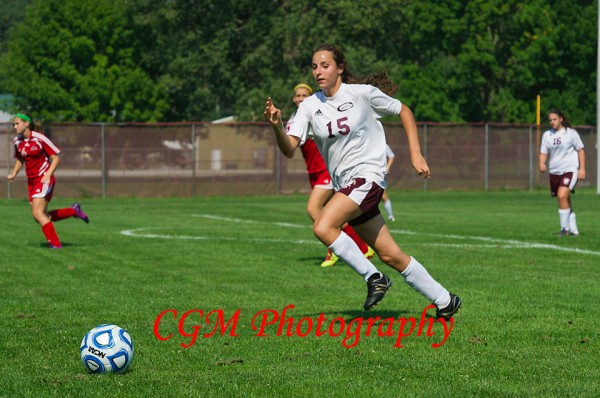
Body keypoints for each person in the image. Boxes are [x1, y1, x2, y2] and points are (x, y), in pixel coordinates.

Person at [264, 44, 461, 319]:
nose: (318, 71)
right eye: (314, 66)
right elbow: (289, 148)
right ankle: (445, 300)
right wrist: (276, 125)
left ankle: (374, 278)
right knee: (391, 255)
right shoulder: (309, 106)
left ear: (340, 68)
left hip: (367, 177)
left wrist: (416, 153)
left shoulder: (362, 94)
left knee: (322, 225)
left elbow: (404, 110)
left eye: (325, 65)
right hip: (346, 185)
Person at [288, 83, 375, 267]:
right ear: (294, 99)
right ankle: (363, 248)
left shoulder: (317, 114)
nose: (301, 98)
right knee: (333, 217)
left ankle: (334, 250)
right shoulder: (295, 120)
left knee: (313, 209)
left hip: (325, 172)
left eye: (305, 95)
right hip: (313, 173)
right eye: (298, 95)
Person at [7, 113, 89, 249]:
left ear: (26, 123)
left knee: (38, 213)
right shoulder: (17, 141)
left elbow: (55, 158)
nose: (15, 126)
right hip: (32, 181)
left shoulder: (39, 138)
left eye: (17, 123)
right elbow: (20, 159)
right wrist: (14, 173)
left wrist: (47, 175)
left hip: (44, 178)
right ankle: (74, 211)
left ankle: (56, 244)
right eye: (14, 124)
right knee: (39, 216)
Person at [539, 109, 586, 236]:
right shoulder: (547, 135)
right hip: (554, 171)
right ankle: (574, 230)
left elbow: (580, 150)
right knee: (564, 199)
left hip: (570, 169)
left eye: (554, 119)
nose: (552, 122)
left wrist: (582, 169)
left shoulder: (570, 133)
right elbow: (543, 152)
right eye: (550, 120)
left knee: (562, 196)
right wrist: (542, 163)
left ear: (561, 119)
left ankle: (564, 230)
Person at [382, 144, 396, 222]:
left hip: (380, 175)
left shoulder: (383, 145)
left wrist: (388, 167)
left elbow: (391, 156)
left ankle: (390, 216)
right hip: (366, 174)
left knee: (383, 196)